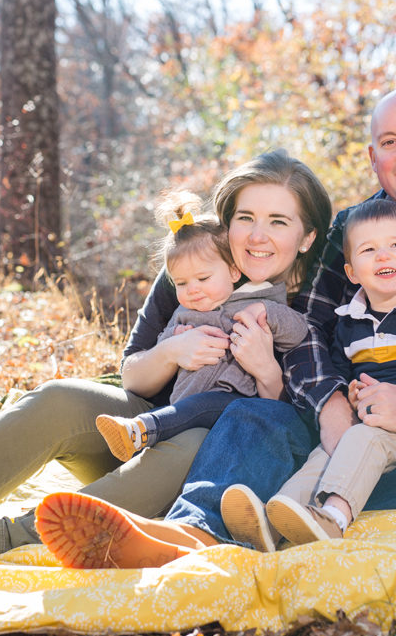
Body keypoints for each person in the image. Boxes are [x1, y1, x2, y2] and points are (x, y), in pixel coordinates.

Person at [32, 84, 396, 568]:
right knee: (257, 413)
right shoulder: (350, 228)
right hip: (347, 429)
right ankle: (192, 529)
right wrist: (333, 406)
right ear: (373, 156)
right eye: (390, 142)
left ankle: (290, 508)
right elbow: (310, 333)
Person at [0, 149, 331, 565]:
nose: (258, 236)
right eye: (246, 217)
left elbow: (305, 421)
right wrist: (172, 351)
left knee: (192, 437)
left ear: (307, 236)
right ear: (226, 221)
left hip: (215, 467)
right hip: (139, 431)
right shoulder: (195, 264)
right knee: (58, 397)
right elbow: (133, 373)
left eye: (279, 222)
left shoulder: (320, 302)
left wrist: (265, 368)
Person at [239, 198, 396, 547]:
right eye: (369, 249)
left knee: (361, 439)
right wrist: (350, 393)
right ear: (352, 272)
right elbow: (339, 378)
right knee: (327, 451)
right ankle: (275, 523)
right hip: (365, 425)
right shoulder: (348, 324)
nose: (384, 256)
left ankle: (334, 519)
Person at [95, 190, 308, 462]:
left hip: (234, 404)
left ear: (233, 271)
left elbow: (297, 331)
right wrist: (172, 342)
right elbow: (158, 348)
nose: (192, 290)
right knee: (185, 420)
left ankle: (143, 428)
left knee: (203, 407)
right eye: (181, 284)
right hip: (182, 405)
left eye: (203, 278)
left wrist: (268, 312)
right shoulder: (184, 313)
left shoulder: (259, 298)